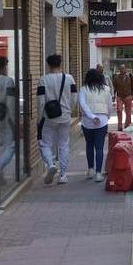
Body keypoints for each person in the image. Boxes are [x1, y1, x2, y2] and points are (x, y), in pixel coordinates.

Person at [37, 54, 77, 185]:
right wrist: (68, 110)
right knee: (64, 144)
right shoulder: (69, 78)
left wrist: (41, 116)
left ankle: (50, 164)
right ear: (61, 64)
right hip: (65, 116)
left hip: (49, 117)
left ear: (48, 65)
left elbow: (41, 101)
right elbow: (74, 98)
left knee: (45, 143)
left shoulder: (43, 80)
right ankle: (63, 175)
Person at [79, 68, 113, 182]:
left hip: (87, 121)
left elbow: (82, 104)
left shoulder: (83, 89)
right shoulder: (106, 89)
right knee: (99, 147)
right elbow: (109, 105)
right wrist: (107, 117)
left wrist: (92, 117)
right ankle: (99, 173)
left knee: (89, 145)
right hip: (102, 120)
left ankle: (90, 169)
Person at [111, 64, 133, 130]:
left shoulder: (130, 76)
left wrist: (132, 95)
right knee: (119, 111)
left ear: (125, 69)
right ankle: (119, 126)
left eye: (123, 68)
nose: (122, 70)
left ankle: (127, 125)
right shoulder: (116, 77)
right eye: (120, 68)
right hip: (120, 97)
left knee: (128, 111)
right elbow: (114, 88)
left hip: (128, 96)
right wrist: (113, 96)